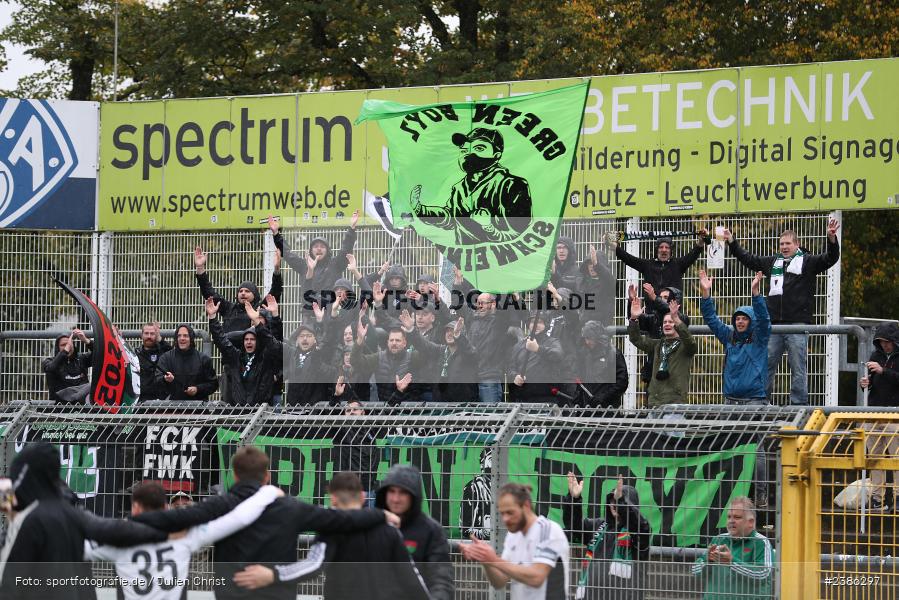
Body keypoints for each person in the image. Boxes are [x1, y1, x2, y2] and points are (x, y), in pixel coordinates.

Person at [131, 445, 397, 600]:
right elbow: (341, 519)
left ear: (234, 475)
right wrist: (381, 514)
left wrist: (136, 522)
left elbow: (178, 516)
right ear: (267, 476)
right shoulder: (292, 508)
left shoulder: (220, 505)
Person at [0, 442, 170, 600]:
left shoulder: (33, 517)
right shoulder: (68, 509)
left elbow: (10, 582)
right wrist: (166, 529)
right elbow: (110, 528)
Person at [230, 472, 431, 600]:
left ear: (333, 498)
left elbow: (313, 565)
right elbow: (411, 577)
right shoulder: (389, 530)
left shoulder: (331, 530)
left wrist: (274, 574)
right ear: (363, 496)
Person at [85, 482, 283, 600]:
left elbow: (77, 546)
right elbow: (238, 519)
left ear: (135, 507)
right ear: (166, 507)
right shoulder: (186, 536)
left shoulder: (115, 541)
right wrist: (267, 493)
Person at [723, 218, 840, 404]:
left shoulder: (807, 262)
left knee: (798, 367)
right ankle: (761, 402)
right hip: (773, 325)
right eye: (781, 244)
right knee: (765, 365)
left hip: (797, 324)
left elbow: (830, 258)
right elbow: (749, 259)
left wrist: (831, 239)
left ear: (797, 244)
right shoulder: (773, 262)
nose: (784, 247)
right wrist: (732, 242)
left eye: (788, 243)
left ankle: (798, 405)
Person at [411, 127, 532, 245]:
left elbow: (521, 234)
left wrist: (488, 227)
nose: (469, 154)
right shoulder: (459, 188)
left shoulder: (513, 185)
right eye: (464, 150)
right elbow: (451, 218)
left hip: (501, 257)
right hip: (466, 256)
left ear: (496, 155)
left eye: (479, 148)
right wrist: (420, 209)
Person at [461, 482, 569, 600]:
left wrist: (494, 559)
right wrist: (485, 559)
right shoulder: (513, 536)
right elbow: (499, 581)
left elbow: (537, 577)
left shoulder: (549, 531)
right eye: (502, 513)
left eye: (510, 512)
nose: (505, 519)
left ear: (526, 506)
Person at [563, 474, 650, 600]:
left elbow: (641, 526)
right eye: (612, 501)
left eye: (618, 500)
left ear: (630, 503)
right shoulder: (598, 525)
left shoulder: (638, 531)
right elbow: (574, 528)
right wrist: (574, 500)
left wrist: (622, 503)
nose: (614, 504)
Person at [375, 465, 454, 600]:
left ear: (414, 495)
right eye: (392, 491)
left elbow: (441, 579)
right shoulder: (373, 525)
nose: (396, 499)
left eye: (403, 493)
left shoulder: (431, 530)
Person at [699, 271, 771, 404]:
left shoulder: (759, 338)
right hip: (730, 400)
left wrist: (755, 293)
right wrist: (706, 293)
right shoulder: (728, 336)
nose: (740, 321)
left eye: (744, 318)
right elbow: (710, 318)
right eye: (737, 319)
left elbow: (763, 319)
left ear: (752, 321)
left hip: (754, 401)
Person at [269, 210, 359, 308]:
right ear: (311, 250)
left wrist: (352, 228)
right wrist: (276, 234)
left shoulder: (335, 264)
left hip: (331, 311)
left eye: (322, 246)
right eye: (316, 246)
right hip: (309, 311)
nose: (319, 249)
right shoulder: (304, 265)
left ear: (328, 250)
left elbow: (346, 249)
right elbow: (287, 254)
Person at [692, 497, 773, 600]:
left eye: (737, 517)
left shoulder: (761, 542)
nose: (731, 521)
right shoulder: (718, 539)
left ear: (751, 522)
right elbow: (695, 571)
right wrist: (707, 561)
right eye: (729, 517)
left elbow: (763, 574)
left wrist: (731, 563)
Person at [627, 293, 697, 406]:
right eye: (665, 322)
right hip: (654, 403)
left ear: (677, 324)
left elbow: (691, 342)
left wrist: (676, 318)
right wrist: (634, 319)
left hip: (675, 404)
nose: (667, 324)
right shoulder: (658, 345)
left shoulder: (685, 346)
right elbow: (636, 339)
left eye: (671, 322)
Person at [209, 298, 280, 405]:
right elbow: (221, 340)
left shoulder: (265, 358)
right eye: (246, 339)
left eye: (252, 339)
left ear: (258, 341)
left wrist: (275, 315)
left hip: (260, 409)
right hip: (239, 409)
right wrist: (212, 317)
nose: (249, 342)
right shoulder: (236, 357)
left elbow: (274, 342)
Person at [859, 323, 899, 510]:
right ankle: (877, 498)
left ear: (894, 341)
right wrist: (865, 383)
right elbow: (870, 383)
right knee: (874, 458)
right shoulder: (875, 356)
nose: (885, 345)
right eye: (881, 342)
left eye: (887, 342)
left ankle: (898, 497)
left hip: (895, 414)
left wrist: (883, 371)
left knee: (896, 457)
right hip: (874, 412)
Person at [611, 231, 707, 304]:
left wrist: (701, 241)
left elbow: (693, 255)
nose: (664, 250)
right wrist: (614, 246)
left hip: (672, 312)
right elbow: (628, 259)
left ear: (671, 250)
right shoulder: (647, 265)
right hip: (652, 313)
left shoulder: (678, 264)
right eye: (661, 247)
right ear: (657, 250)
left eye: (667, 247)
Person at [194, 245, 272, 334]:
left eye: (247, 291)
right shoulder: (229, 308)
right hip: (228, 343)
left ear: (255, 295)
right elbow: (209, 293)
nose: (243, 293)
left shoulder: (260, 309)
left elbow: (275, 291)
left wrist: (277, 269)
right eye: (240, 291)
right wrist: (200, 268)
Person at [352, 319, 428, 404]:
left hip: (408, 408)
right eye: (391, 340)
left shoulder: (413, 357)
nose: (394, 343)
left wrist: (412, 331)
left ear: (404, 343)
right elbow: (356, 362)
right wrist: (359, 341)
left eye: (398, 340)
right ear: (388, 342)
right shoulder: (378, 357)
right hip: (385, 408)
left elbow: (428, 353)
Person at [404, 317, 479, 402]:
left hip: (462, 404)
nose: (449, 334)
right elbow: (423, 344)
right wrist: (411, 330)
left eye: (453, 331)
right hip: (441, 403)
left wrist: (458, 336)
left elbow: (469, 350)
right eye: (447, 331)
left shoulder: (468, 354)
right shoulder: (440, 350)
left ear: (462, 334)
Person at [508, 312, 567, 405]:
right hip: (524, 399)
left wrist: (538, 349)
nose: (536, 325)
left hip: (547, 398)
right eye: (533, 322)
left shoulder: (552, 342)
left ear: (545, 325)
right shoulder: (519, 345)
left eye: (540, 322)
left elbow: (558, 355)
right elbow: (511, 368)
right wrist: (515, 376)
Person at [155, 324, 218, 401]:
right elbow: (157, 381)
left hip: (197, 406)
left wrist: (197, 389)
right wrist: (165, 379)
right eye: (179, 336)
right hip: (172, 406)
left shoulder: (203, 359)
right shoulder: (166, 358)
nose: (182, 338)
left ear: (191, 338)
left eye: (185, 336)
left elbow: (213, 384)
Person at [574, 321, 628, 408]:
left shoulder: (613, 354)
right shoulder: (584, 353)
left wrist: (603, 397)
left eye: (590, 338)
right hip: (587, 407)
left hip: (607, 408)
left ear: (597, 338)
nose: (587, 342)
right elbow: (580, 379)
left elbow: (621, 382)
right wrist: (578, 397)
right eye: (586, 338)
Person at [42, 328, 92, 403]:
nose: (68, 347)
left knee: (93, 385)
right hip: (60, 405)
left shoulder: (81, 359)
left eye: (69, 344)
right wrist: (65, 351)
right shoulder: (49, 361)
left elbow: (100, 355)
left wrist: (87, 341)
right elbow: (51, 369)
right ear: (57, 347)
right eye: (63, 345)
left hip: (81, 405)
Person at [460, 448, 494, 540]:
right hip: (478, 544)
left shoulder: (506, 489)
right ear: (482, 465)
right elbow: (465, 530)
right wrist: (486, 532)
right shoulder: (473, 488)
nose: (496, 464)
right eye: (491, 459)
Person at [134, 322, 171, 401]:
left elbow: (172, 353)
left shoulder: (163, 353)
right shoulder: (135, 354)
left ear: (156, 335)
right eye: (146, 333)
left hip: (159, 401)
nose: (149, 336)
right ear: (141, 335)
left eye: (152, 334)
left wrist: (160, 339)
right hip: (140, 400)